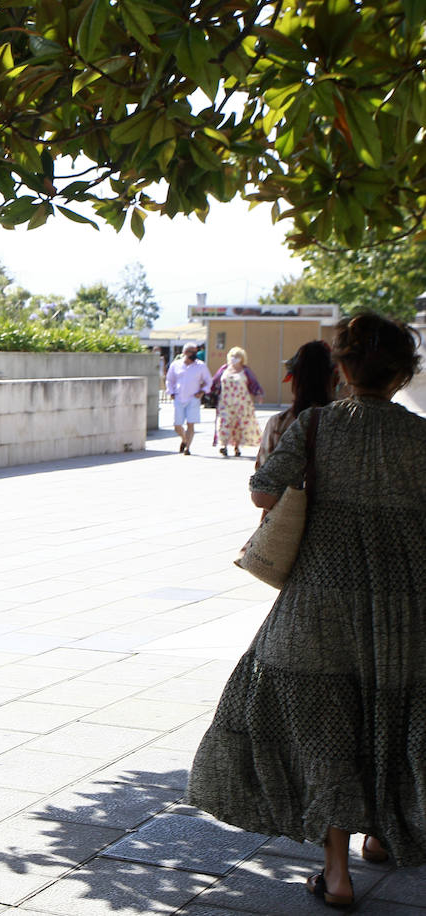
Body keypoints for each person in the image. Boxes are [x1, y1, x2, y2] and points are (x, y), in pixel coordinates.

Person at [188, 311, 426, 909]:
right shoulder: (420, 436)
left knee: (328, 722)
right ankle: (383, 834)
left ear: (342, 368)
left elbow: (263, 489)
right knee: (390, 710)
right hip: (405, 605)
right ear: (403, 374)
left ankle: (335, 872)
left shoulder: (318, 424)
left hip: (319, 601)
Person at [254, 340, 338, 469]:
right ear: (334, 378)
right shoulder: (346, 423)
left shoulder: (278, 423)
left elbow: (262, 472)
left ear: (295, 379)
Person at [210, 347, 264, 457]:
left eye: (237, 356)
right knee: (224, 423)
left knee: (238, 425)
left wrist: (258, 394)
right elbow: (214, 381)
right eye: (232, 356)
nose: (234, 358)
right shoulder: (224, 369)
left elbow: (254, 383)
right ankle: (223, 446)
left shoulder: (245, 370)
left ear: (242, 358)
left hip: (242, 403)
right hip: (225, 403)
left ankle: (237, 446)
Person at [165, 344, 212, 454]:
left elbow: (208, 381)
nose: (194, 354)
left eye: (195, 351)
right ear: (185, 352)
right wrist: (171, 392)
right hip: (179, 397)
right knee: (177, 425)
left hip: (193, 398)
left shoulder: (201, 366)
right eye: (191, 351)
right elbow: (169, 380)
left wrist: (202, 391)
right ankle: (184, 439)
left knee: (191, 424)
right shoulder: (176, 365)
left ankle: (188, 448)